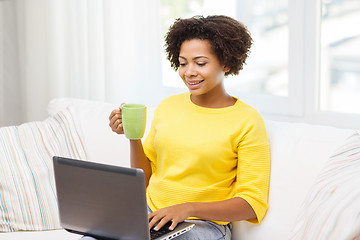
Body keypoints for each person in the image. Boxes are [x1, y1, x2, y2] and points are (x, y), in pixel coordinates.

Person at [108, 15, 270, 240]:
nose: (189, 72)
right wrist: (132, 136)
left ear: (226, 62)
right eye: (183, 63)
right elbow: (144, 178)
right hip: (151, 215)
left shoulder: (247, 120)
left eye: (200, 63)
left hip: (203, 226)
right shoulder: (168, 106)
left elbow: (251, 203)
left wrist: (188, 208)